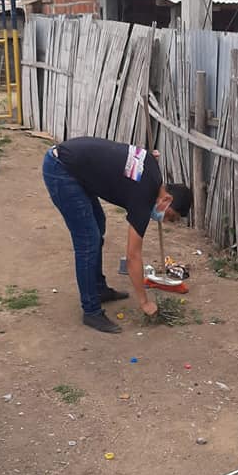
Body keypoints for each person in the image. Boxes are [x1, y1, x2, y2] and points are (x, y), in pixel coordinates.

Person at [43, 136, 192, 333]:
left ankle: (99, 289)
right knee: (88, 240)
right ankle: (91, 310)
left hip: (74, 165)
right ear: (167, 199)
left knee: (98, 224)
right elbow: (132, 256)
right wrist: (144, 302)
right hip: (61, 169)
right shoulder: (144, 197)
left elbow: (140, 158)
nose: (165, 220)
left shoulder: (154, 172)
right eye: (170, 216)